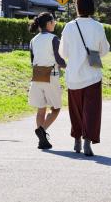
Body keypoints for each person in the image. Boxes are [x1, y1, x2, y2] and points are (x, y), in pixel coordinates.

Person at [59, 0, 110, 156]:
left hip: (73, 75)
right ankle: (88, 140)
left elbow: (63, 52)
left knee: (76, 110)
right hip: (93, 74)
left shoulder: (69, 26)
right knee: (92, 110)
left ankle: (76, 139)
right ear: (92, 7)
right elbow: (104, 50)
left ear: (77, 7)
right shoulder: (98, 26)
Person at [28, 12, 67, 149]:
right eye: (54, 21)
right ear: (49, 23)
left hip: (37, 75)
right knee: (56, 108)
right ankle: (42, 130)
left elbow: (32, 60)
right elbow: (59, 59)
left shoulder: (33, 40)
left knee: (41, 109)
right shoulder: (54, 39)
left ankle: (42, 140)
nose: (55, 23)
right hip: (51, 75)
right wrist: (69, 66)